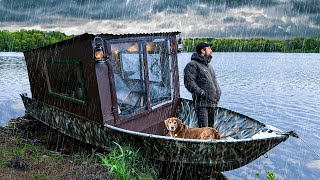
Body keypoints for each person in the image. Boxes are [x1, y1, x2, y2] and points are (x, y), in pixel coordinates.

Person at [184, 42, 221, 128]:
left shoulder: (209, 66)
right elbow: (189, 83)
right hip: (202, 104)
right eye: (209, 48)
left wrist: (218, 93)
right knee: (204, 131)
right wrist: (201, 93)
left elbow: (214, 82)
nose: (211, 50)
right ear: (203, 51)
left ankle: (211, 142)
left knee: (211, 130)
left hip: (212, 103)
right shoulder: (192, 65)